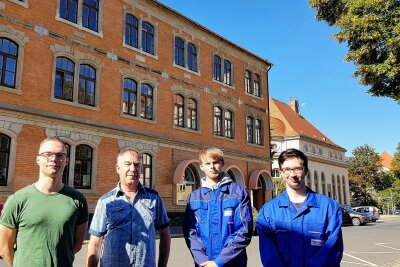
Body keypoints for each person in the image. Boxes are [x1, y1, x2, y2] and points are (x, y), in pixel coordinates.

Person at [0, 136, 88, 267]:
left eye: (60, 155)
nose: (54, 159)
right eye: (48, 154)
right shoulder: (17, 200)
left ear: (66, 161)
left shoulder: (78, 200)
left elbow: (76, 245)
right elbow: (4, 249)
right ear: (38, 159)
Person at [256, 148, 343, 267]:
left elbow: (332, 249)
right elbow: (268, 252)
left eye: (297, 169)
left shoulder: (328, 207)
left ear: (305, 170)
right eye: (287, 169)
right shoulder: (269, 211)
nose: (292, 174)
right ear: (281, 172)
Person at [86, 147, 171, 267]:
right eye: (127, 164)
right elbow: (95, 243)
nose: (133, 169)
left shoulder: (154, 198)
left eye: (136, 165)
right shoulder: (105, 201)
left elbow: (165, 235)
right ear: (118, 168)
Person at [183, 147, 253, 267]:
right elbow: (190, 232)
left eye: (215, 162)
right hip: (204, 263)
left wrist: (218, 262)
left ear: (222, 163)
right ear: (201, 167)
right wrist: (202, 261)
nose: (212, 166)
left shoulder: (238, 192)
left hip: (233, 263)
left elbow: (244, 230)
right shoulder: (194, 197)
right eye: (207, 163)